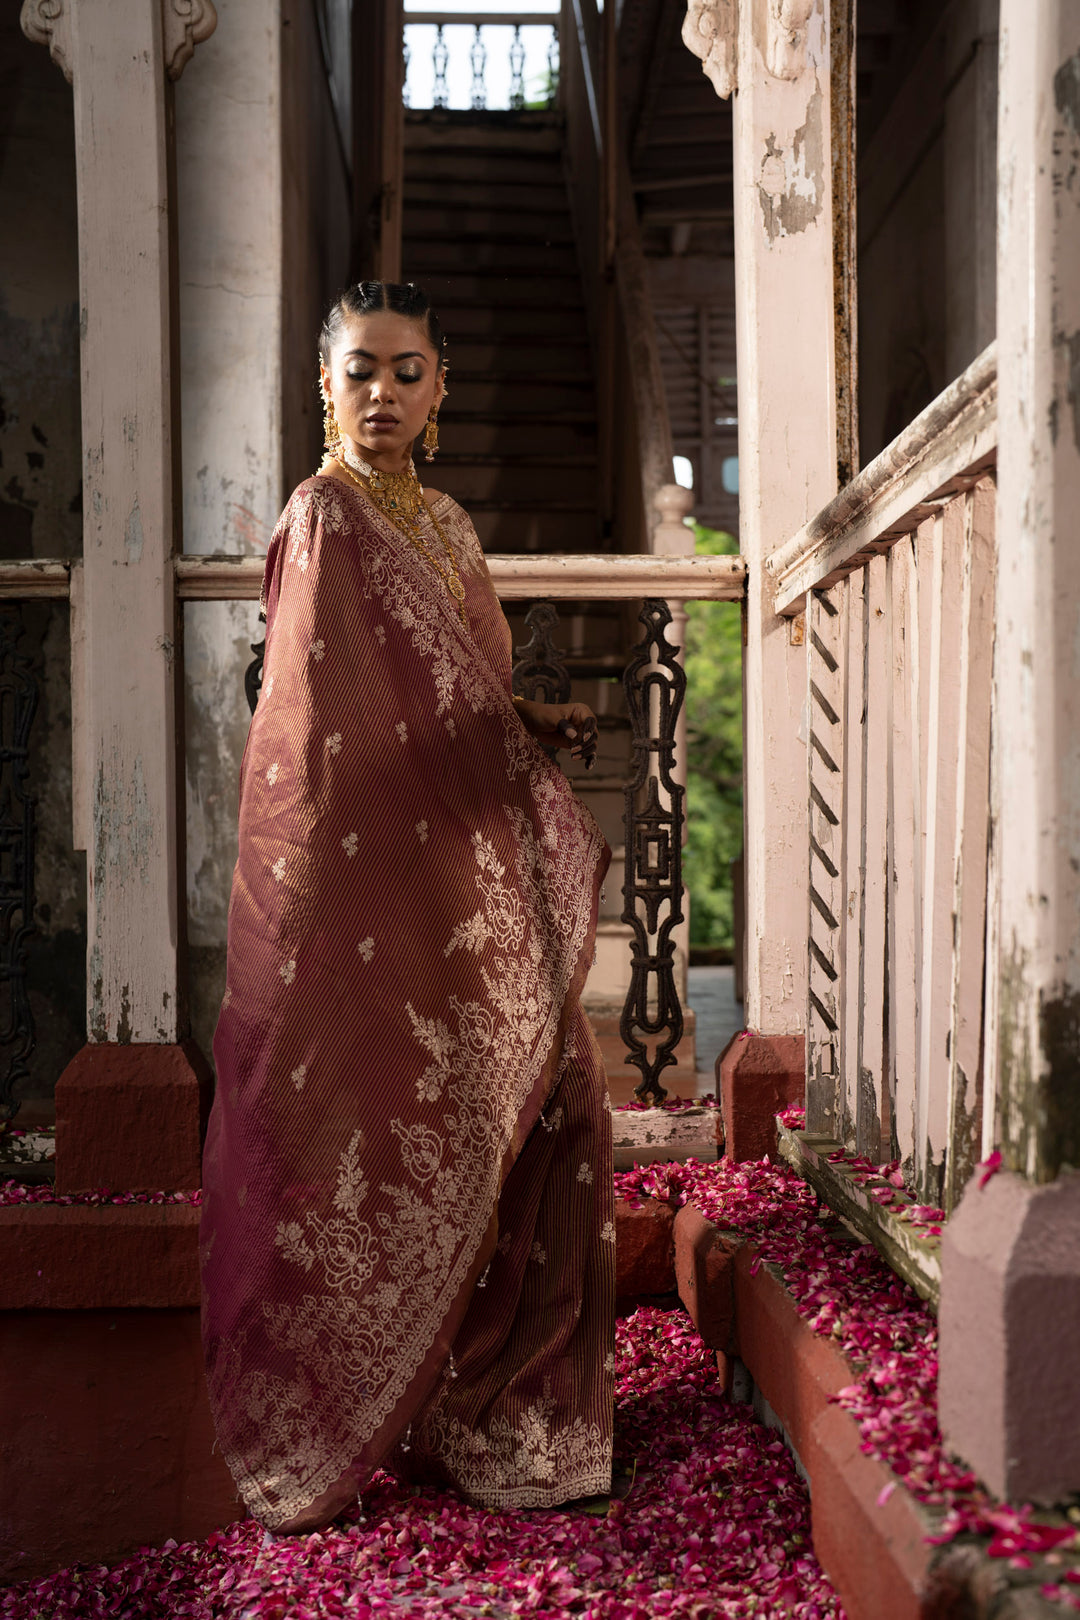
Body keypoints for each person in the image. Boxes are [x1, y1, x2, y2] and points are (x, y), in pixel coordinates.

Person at [200, 280, 616, 1534]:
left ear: (441, 391)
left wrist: (528, 719)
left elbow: (462, 692)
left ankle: (508, 1414)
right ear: (321, 386)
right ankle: (351, 1409)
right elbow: (327, 722)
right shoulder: (324, 517)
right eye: (360, 371)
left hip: (459, 856)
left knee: (561, 1112)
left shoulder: (444, 522)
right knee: (365, 1127)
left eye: (408, 372)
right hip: (367, 874)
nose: (383, 393)